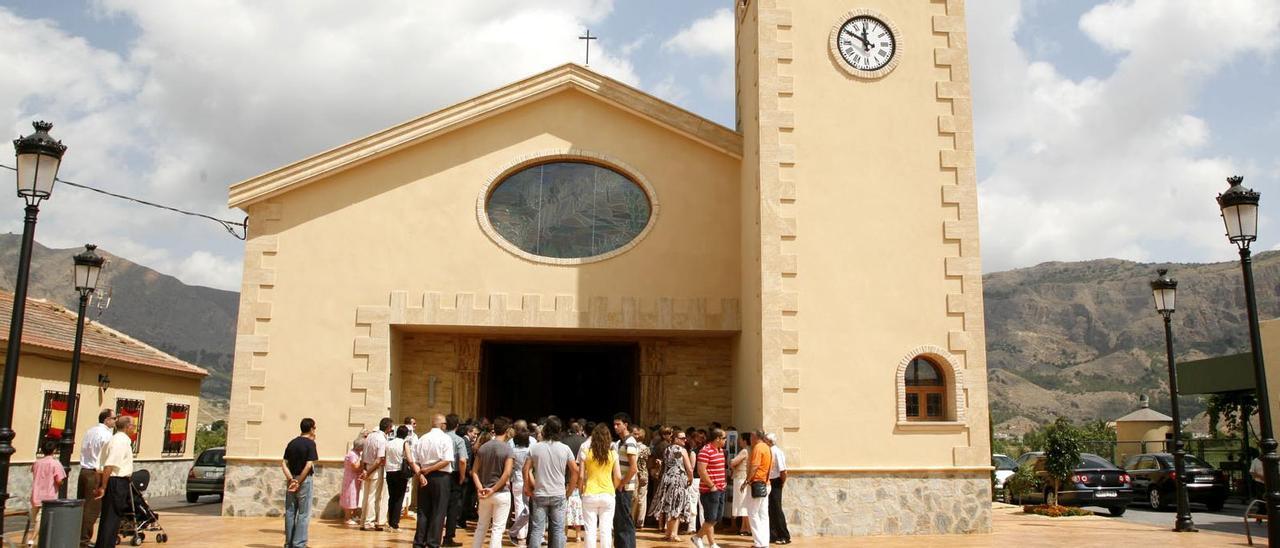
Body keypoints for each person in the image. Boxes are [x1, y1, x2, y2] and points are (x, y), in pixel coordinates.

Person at [525, 416, 579, 548]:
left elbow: (525, 469)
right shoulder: (565, 449)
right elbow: (575, 471)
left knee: (537, 530)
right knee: (558, 530)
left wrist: (528, 487)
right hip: (558, 494)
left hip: (540, 493)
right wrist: (570, 491)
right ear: (559, 430)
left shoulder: (535, 448)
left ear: (545, 430)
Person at [93, 414, 137, 548]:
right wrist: (103, 486)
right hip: (116, 481)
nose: (134, 429)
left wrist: (100, 484)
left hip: (116, 481)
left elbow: (100, 467)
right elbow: (109, 466)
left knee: (111, 516)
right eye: (133, 426)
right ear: (128, 427)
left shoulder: (115, 440)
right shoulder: (120, 442)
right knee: (112, 517)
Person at [413, 414, 456, 548]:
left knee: (423, 511)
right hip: (440, 477)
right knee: (438, 511)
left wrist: (420, 474)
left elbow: (414, 461)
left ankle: (419, 542)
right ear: (442, 425)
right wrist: (429, 469)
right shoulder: (445, 438)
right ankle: (432, 543)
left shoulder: (422, 438)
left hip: (424, 476)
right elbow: (446, 460)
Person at [472, 416, 515, 548]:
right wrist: (494, 489)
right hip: (500, 493)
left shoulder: (483, 447)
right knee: (497, 529)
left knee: (481, 526)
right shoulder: (507, 449)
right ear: (507, 430)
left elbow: (474, 471)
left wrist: (481, 488)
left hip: (484, 493)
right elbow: (507, 473)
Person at [580, 423, 621, 548]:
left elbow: (581, 476)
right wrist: (612, 488)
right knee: (606, 529)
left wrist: (581, 489)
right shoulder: (613, 454)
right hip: (607, 493)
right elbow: (618, 476)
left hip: (590, 493)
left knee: (589, 530)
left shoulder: (586, 452)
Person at [79, 409, 115, 547]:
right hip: (95, 473)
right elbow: (106, 458)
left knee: (82, 506)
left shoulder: (90, 431)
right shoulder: (106, 435)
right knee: (92, 508)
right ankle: (84, 540)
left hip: (84, 471)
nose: (115, 421)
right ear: (106, 420)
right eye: (114, 418)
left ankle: (79, 535)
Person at [649, 429, 692, 542]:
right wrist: (690, 478)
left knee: (669, 506)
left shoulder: (667, 449)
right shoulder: (682, 450)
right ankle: (673, 534)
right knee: (677, 506)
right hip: (678, 480)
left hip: (667, 479)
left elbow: (665, 465)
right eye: (682, 438)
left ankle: (669, 533)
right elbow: (689, 468)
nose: (685, 440)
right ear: (676, 439)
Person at [282, 418, 318, 548]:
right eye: (315, 428)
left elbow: (283, 463)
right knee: (303, 513)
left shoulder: (292, 443)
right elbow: (309, 465)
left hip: (291, 480)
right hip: (304, 481)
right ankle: (299, 543)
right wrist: (298, 481)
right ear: (311, 428)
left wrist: (291, 479)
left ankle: (289, 543)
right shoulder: (310, 444)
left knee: (290, 511)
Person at [24, 438, 66, 546]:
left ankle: (32, 539)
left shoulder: (37, 463)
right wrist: (60, 483)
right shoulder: (55, 464)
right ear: (55, 450)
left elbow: (33, 472)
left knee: (35, 519)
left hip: (35, 494)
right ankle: (32, 540)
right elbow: (59, 480)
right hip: (48, 495)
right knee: (41, 519)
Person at [692, 428, 727, 548]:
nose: (726, 440)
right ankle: (708, 542)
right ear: (717, 439)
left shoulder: (720, 450)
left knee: (717, 517)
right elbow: (701, 470)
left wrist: (722, 484)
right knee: (710, 518)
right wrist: (711, 486)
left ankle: (699, 538)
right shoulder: (705, 451)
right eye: (724, 438)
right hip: (709, 490)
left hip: (721, 488)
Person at [611, 413, 639, 548]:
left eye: (618, 424)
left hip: (625, 488)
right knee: (619, 521)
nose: (615, 427)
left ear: (625, 425)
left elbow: (633, 468)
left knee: (625, 521)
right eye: (614, 424)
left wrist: (622, 484)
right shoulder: (619, 442)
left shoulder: (630, 442)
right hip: (619, 487)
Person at [443, 414, 470, 547]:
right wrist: (462, 476)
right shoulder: (459, 440)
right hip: (454, 475)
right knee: (453, 508)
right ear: (457, 426)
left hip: (440, 474)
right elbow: (462, 460)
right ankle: (448, 537)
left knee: (438, 507)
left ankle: (432, 536)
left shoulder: (440, 438)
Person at [742, 430, 772, 548]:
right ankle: (764, 542)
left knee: (753, 513)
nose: (750, 439)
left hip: (757, 484)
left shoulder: (758, 448)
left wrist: (747, 481)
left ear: (755, 437)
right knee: (763, 514)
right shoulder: (767, 447)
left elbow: (754, 466)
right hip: (766, 483)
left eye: (750, 436)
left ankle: (759, 543)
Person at [362, 417, 393, 531]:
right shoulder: (381, 439)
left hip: (367, 467)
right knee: (373, 496)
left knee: (366, 496)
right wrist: (369, 471)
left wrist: (365, 470)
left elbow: (364, 455)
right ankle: (369, 522)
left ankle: (363, 521)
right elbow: (379, 459)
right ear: (388, 428)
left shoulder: (370, 436)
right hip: (375, 469)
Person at [508, 422, 533, 546]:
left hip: (516, 479)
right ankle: (525, 532)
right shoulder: (531, 450)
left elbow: (510, 467)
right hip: (528, 479)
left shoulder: (512, 451)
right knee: (529, 508)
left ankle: (519, 534)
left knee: (518, 506)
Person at [765, 434, 791, 544]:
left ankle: (784, 535)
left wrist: (781, 483)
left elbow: (783, 471)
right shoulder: (768, 451)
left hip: (776, 481)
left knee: (776, 509)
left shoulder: (777, 452)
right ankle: (773, 535)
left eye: (766, 440)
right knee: (770, 509)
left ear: (770, 441)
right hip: (769, 481)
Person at [386, 425, 412, 531]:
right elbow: (409, 458)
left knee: (391, 497)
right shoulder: (404, 443)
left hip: (389, 471)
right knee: (399, 498)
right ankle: (395, 523)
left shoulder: (389, 443)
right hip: (400, 472)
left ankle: (390, 521)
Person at [730, 433, 752, 536]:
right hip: (744, 478)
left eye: (740, 440)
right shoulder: (750, 450)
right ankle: (745, 527)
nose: (739, 441)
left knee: (742, 503)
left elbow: (733, 462)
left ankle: (747, 528)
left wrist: (731, 463)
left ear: (744, 440)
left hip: (741, 478)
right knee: (744, 502)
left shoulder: (744, 451)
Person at [342, 433, 366, 525]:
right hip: (350, 479)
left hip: (354, 478)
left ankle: (352, 516)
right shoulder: (352, 454)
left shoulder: (356, 453)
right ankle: (347, 518)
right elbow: (355, 467)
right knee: (349, 497)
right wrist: (361, 460)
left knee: (354, 496)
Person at [630, 427, 650, 529]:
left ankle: (632, 519)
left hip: (634, 474)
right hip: (644, 474)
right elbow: (649, 462)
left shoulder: (632, 447)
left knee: (634, 497)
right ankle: (640, 521)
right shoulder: (646, 448)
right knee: (642, 498)